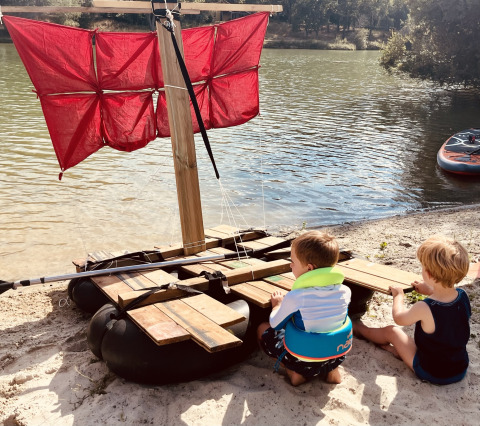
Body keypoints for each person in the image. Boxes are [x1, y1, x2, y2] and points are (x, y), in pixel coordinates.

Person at [353, 235, 471, 385]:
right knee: (439, 339)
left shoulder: (425, 307)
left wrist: (398, 296)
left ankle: (358, 328)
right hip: (459, 368)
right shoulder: (462, 296)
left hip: (431, 371)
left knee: (392, 331)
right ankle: (399, 352)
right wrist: (429, 290)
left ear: (428, 274)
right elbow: (447, 311)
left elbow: (399, 318)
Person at [257, 230, 352, 386]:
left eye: (293, 262)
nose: (290, 265)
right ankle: (332, 371)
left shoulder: (296, 297)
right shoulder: (345, 291)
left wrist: (278, 305)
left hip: (302, 360)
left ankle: (294, 372)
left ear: (309, 268)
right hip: (336, 355)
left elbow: (275, 323)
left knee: (262, 329)